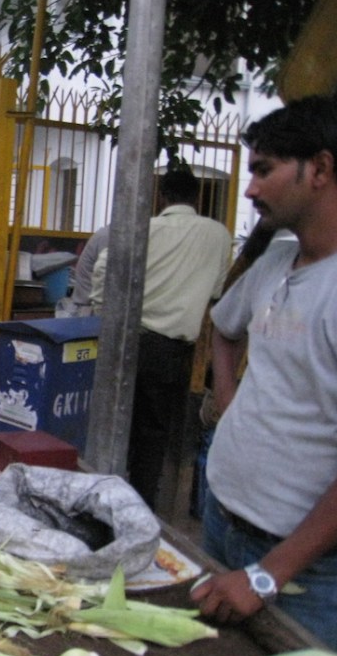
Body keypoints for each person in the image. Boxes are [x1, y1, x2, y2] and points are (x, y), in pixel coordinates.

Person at [190, 96, 337, 654]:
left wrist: (267, 575)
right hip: (223, 520)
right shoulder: (277, 262)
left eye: (264, 170)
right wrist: (229, 402)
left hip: (308, 568)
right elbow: (223, 328)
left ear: (321, 169)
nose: (250, 189)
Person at [91, 168, 232, 510]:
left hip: (126, 340)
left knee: (113, 424)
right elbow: (217, 290)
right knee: (154, 434)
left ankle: (101, 500)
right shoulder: (218, 235)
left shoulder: (144, 229)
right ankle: (140, 508)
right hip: (172, 350)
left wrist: (102, 311)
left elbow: (102, 268)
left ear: (162, 196)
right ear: (196, 197)